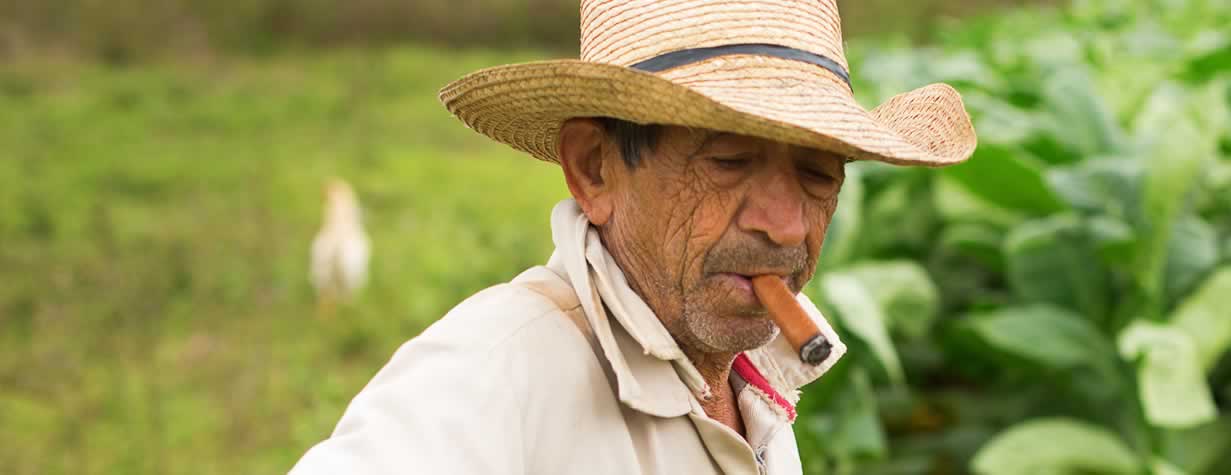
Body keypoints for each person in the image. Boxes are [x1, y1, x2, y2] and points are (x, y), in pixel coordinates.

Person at [289, 0, 976, 472]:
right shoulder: (488, 376)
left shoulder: (750, 380)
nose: (787, 223)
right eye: (728, 161)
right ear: (594, 169)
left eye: (818, 175)